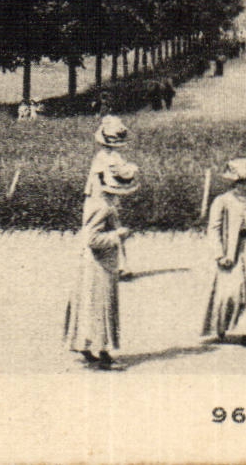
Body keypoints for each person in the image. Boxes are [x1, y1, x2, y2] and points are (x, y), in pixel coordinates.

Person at [63, 161, 138, 370]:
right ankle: (103, 354)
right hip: (99, 264)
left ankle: (86, 347)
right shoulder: (103, 207)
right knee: (102, 305)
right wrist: (118, 235)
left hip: (94, 263)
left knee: (90, 305)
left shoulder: (99, 202)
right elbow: (92, 239)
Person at [202, 156, 246, 346]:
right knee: (230, 290)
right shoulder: (222, 201)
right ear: (234, 182)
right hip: (230, 250)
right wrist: (219, 254)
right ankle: (220, 326)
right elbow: (214, 229)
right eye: (242, 182)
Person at [86, 116, 133, 276]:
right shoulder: (108, 157)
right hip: (104, 197)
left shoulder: (107, 157)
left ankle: (121, 265)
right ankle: (120, 265)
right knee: (110, 226)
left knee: (108, 228)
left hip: (103, 197)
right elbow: (107, 180)